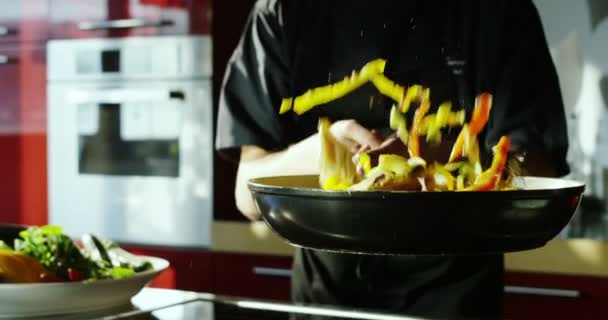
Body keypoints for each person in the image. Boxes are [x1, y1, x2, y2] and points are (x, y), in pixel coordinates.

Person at [215, 0, 569, 319]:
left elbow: (537, 171)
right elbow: (248, 193)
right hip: (324, 300)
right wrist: (327, 148)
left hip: (454, 299)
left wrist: (430, 159)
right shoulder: (284, 12)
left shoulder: (496, 12)